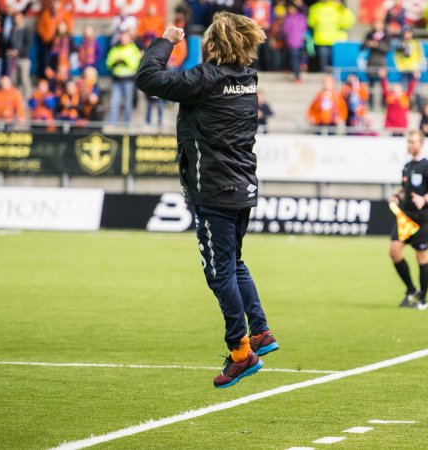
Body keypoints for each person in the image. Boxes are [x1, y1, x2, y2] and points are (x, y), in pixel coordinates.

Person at [135, 13, 279, 389]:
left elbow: (148, 78)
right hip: (242, 187)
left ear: (213, 45)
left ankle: (240, 352)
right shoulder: (247, 79)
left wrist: (166, 41)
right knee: (234, 263)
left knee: (218, 273)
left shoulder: (206, 80)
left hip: (215, 189)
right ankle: (261, 331)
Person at [389, 129, 428, 310]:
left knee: (421, 257)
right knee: (394, 251)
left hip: (422, 219)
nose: (410, 145)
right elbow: (405, 189)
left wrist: (424, 199)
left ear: (421, 144)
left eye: (413, 142)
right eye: (408, 141)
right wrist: (397, 195)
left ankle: (423, 299)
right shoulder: (407, 166)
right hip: (405, 218)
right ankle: (411, 289)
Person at [106, 31, 142, 124]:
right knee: (114, 103)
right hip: (116, 80)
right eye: (122, 37)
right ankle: (112, 124)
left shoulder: (134, 49)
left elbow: (134, 64)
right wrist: (116, 62)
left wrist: (123, 60)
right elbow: (109, 63)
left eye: (125, 37)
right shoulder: (115, 49)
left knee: (128, 103)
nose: (123, 39)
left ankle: (127, 125)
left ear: (129, 38)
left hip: (128, 80)